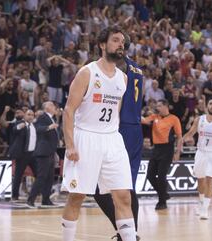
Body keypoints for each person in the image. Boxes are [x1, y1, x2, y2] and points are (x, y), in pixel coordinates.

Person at [61, 26, 136, 241]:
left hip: (112, 139)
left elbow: (116, 114)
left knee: (123, 196)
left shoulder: (123, 78)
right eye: (115, 40)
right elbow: (68, 110)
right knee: (77, 196)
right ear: (103, 45)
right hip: (86, 137)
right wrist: (70, 145)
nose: (121, 44)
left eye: (123, 42)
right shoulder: (87, 72)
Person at [93, 34, 143, 241]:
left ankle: (127, 233)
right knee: (126, 186)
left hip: (117, 128)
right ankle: (130, 233)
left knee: (98, 189)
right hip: (135, 128)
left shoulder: (117, 67)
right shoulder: (136, 68)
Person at [141, 99, 183, 210]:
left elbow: (179, 137)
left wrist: (177, 152)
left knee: (161, 176)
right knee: (150, 175)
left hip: (167, 150)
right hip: (156, 149)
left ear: (166, 106)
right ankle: (163, 193)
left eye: (159, 106)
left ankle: (162, 202)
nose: (157, 108)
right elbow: (144, 120)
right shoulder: (155, 117)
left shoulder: (174, 119)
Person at [27, 101, 58, 207]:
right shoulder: (43, 117)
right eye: (52, 105)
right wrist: (49, 127)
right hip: (43, 152)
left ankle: (46, 199)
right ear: (46, 108)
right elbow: (38, 128)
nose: (54, 107)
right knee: (41, 177)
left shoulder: (52, 118)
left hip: (50, 151)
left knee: (49, 178)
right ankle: (31, 199)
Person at [9, 109, 37, 201]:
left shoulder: (34, 126)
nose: (30, 116)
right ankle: (15, 196)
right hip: (22, 154)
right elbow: (14, 129)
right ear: (25, 116)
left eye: (32, 115)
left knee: (39, 174)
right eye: (28, 114)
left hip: (33, 155)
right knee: (18, 175)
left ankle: (37, 193)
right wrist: (19, 127)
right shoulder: (21, 123)